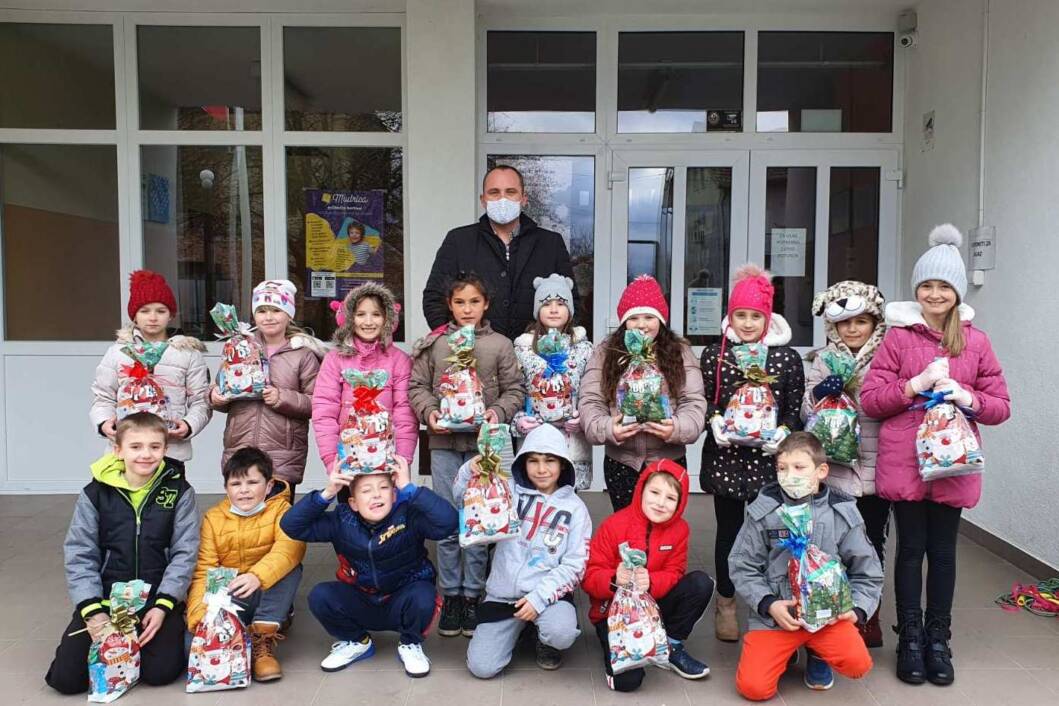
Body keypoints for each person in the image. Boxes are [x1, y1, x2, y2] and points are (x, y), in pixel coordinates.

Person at [861, 224, 1010, 687]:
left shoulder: (976, 342)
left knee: (943, 552)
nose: (934, 293)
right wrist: (913, 386)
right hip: (905, 461)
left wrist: (966, 396)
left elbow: (1001, 406)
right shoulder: (898, 339)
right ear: (916, 290)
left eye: (944, 285)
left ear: (957, 291)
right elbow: (872, 399)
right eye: (926, 285)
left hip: (953, 462)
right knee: (909, 550)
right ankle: (909, 636)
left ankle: (937, 638)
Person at [45, 412, 200, 694]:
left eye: (155, 446)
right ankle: (122, 642)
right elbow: (80, 553)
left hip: (156, 598)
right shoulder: (95, 493)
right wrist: (93, 612)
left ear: (166, 449)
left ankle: (139, 642)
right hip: (106, 598)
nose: (146, 454)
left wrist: (164, 605)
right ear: (118, 450)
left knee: (160, 674)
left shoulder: (179, 491)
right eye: (135, 446)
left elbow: (185, 552)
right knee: (65, 681)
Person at [408, 271, 525, 639]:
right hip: (443, 446)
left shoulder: (500, 345)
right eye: (459, 302)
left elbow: (515, 389)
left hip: (483, 447)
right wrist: (430, 414)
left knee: (479, 521)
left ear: (486, 304)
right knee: (445, 521)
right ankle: (451, 595)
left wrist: (497, 413)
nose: (467, 309)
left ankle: (474, 594)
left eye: (474, 301)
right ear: (449, 306)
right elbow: (417, 387)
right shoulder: (435, 345)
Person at [729, 432, 883, 701]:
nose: (790, 475)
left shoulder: (842, 513)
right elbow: (742, 565)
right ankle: (786, 651)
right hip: (778, 616)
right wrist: (768, 604)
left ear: (821, 470)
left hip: (827, 615)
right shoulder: (764, 512)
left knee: (858, 664)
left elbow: (868, 572)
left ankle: (818, 653)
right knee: (754, 688)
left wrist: (856, 610)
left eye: (799, 467)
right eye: (782, 468)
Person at [699, 264, 804, 642]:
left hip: (768, 463)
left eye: (755, 316)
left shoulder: (786, 358)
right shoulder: (717, 355)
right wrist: (715, 423)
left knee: (772, 534)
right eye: (740, 315)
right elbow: (708, 399)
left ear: (768, 316)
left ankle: (772, 601)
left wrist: (784, 433)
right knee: (728, 531)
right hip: (726, 459)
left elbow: (794, 407)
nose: (746, 323)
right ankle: (726, 602)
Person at [280, 458, 457, 678]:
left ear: (394, 495)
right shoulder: (341, 520)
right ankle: (357, 641)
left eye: (384, 488)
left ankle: (410, 644)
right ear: (353, 502)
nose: (376, 495)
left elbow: (449, 522)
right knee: (321, 595)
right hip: (363, 599)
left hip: (403, 601)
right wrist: (327, 492)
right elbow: (290, 526)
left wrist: (411, 489)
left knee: (424, 595)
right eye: (366, 490)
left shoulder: (409, 515)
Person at [459, 424, 592, 677]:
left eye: (550, 461)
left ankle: (543, 635)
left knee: (561, 632)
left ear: (563, 463)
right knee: (482, 668)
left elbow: (576, 566)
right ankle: (521, 628)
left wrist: (538, 598)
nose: (542, 469)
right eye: (533, 461)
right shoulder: (506, 491)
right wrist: (470, 471)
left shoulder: (576, 509)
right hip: (503, 595)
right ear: (523, 462)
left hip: (546, 596)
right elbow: (463, 498)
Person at [802, 280, 890, 648]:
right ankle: (829, 605)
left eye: (861, 322)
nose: (852, 329)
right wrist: (821, 393)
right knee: (832, 541)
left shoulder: (887, 357)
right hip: (835, 471)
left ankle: (868, 614)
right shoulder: (823, 359)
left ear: (875, 324)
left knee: (871, 542)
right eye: (845, 323)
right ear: (833, 326)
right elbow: (806, 411)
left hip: (874, 468)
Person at [582, 459, 714, 692]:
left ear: (680, 503)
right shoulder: (614, 525)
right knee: (628, 683)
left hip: (653, 605)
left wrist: (652, 582)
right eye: (654, 492)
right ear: (641, 490)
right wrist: (614, 579)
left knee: (700, 583)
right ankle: (621, 645)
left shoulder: (680, 529)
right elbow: (589, 576)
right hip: (614, 613)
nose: (661, 503)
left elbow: (675, 572)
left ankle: (671, 645)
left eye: (671, 498)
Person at [579, 275, 706, 511]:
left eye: (649, 317)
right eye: (633, 318)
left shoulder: (679, 352)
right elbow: (591, 400)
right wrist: (608, 427)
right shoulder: (607, 352)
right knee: (627, 529)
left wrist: (676, 427)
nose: (642, 324)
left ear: (661, 319)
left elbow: (693, 401)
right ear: (623, 321)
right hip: (622, 462)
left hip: (669, 460)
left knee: (665, 530)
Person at [185, 447, 306, 682]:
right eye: (236, 484)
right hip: (231, 594)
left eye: (253, 482)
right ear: (226, 488)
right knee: (190, 651)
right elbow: (204, 570)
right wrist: (200, 618)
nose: (244, 491)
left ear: (269, 485)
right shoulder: (214, 517)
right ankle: (239, 639)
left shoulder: (282, 510)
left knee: (290, 566)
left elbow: (290, 549)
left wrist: (256, 577)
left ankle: (263, 639)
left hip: (266, 589)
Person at [422, 165, 578, 339]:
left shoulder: (550, 243)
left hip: (537, 357)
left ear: (523, 198)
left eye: (510, 192)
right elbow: (434, 298)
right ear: (483, 200)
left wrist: (551, 346)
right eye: (494, 192)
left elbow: (571, 301)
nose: (502, 199)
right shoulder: (458, 240)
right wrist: (455, 343)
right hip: (474, 357)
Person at [210, 279, 323, 498]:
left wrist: (281, 397)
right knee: (243, 516)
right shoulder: (241, 346)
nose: (268, 317)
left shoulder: (303, 354)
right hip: (240, 446)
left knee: (278, 517)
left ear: (289, 315)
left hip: (282, 454)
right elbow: (222, 384)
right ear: (254, 315)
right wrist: (214, 396)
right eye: (262, 310)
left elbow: (316, 402)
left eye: (276, 310)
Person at [90, 269, 211, 461]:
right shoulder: (118, 353)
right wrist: (103, 422)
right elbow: (103, 397)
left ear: (171, 315)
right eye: (144, 311)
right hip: (126, 451)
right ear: (134, 316)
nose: (153, 317)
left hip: (171, 450)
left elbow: (202, 400)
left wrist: (188, 425)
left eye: (161, 311)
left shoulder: (187, 353)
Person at [312, 282, 416, 473]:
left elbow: (404, 414)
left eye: (376, 314)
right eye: (360, 314)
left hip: (386, 458)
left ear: (387, 319)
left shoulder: (399, 361)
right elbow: (324, 411)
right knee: (348, 503)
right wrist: (330, 459)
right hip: (347, 458)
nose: (368, 322)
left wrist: (403, 459)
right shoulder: (335, 360)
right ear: (349, 318)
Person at [511, 274, 594, 490]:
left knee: (567, 494)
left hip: (570, 439)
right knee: (535, 495)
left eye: (561, 303)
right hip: (535, 435)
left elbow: (592, 390)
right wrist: (519, 420)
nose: (554, 309)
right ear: (537, 310)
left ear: (571, 310)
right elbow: (514, 389)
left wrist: (583, 417)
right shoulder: (523, 348)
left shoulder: (584, 348)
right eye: (547, 303)